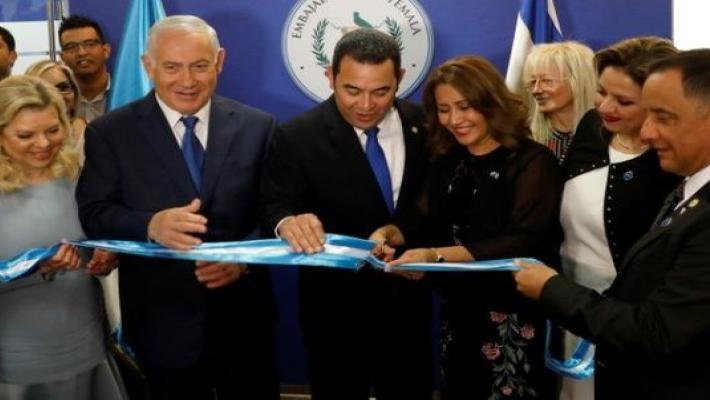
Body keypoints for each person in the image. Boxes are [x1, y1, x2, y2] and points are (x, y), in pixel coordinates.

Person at [76, 15, 278, 399]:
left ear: (219, 61)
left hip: (244, 323)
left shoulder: (258, 126)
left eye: (200, 66)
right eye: (172, 67)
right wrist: (150, 224)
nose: (187, 81)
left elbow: (275, 211)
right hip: (162, 326)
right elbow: (94, 213)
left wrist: (243, 259)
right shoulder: (110, 133)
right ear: (148, 66)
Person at [515, 48, 710, 400]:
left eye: (663, 117)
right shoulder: (688, 182)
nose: (647, 133)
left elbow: (658, 332)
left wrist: (553, 290)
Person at [372, 56, 562, 399]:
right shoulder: (447, 160)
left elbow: (522, 241)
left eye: (465, 106)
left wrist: (435, 255)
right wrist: (386, 234)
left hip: (514, 311)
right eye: (444, 109)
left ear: (490, 103)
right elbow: (417, 219)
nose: (454, 120)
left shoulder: (533, 161)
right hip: (458, 311)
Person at [262, 29, 431, 400]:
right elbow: (276, 204)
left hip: (410, 304)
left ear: (400, 79)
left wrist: (413, 240)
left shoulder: (428, 125)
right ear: (330, 76)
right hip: (334, 311)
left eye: (381, 91)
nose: (366, 105)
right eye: (352, 90)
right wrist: (289, 222)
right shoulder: (297, 136)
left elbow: (433, 201)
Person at [0, 75, 126, 399]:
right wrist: (34, 266)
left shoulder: (78, 177)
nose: (43, 144)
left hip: (85, 345)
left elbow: (99, 239)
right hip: (11, 362)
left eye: (53, 130)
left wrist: (105, 256)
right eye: (26, 135)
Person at [556, 36, 679, 400]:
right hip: (568, 306)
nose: (605, 107)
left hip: (631, 324)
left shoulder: (676, 160)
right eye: (601, 92)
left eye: (623, 101)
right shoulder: (591, 126)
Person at [521, 41, 596, 161]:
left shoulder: (608, 137)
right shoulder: (523, 138)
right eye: (533, 82)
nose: (536, 90)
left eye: (547, 81)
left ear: (578, 82)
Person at [26, 60, 87, 159]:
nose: (58, 97)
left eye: (64, 88)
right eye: (46, 90)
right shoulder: (17, 142)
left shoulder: (91, 137)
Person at [58, 15, 111, 122]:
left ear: (106, 51)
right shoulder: (59, 99)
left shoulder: (126, 93)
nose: (82, 53)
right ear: (62, 58)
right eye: (71, 47)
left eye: (90, 44)